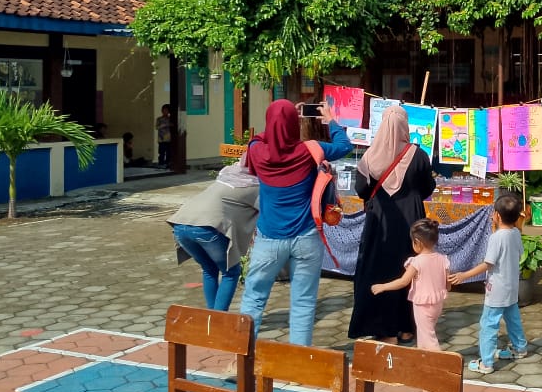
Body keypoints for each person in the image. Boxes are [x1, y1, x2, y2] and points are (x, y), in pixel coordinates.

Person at [240, 99, 351, 345]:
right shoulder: (310, 150)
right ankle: (299, 360)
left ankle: (243, 358)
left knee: (254, 299)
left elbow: (257, 138)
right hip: (306, 239)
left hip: (268, 240)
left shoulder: (257, 151)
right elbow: (344, 145)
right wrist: (330, 120)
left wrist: (279, 122)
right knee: (303, 302)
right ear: (294, 124)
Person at [349, 104, 435, 344]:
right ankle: (407, 328)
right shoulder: (418, 155)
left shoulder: (369, 156)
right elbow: (428, 187)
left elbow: (361, 189)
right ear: (404, 125)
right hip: (411, 221)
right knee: (410, 270)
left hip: (380, 223)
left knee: (379, 269)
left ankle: (383, 329)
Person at [449, 194, 528, 374]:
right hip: (511, 287)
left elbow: (488, 263)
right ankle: (520, 348)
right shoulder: (516, 233)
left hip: (497, 290)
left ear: (497, 215)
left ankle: (486, 363)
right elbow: (516, 253)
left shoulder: (496, 238)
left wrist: (464, 275)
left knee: (488, 325)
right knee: (513, 319)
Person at [167, 158, 259, 311]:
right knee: (231, 272)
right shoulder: (254, 185)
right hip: (207, 228)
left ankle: (211, 316)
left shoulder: (227, 177)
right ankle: (218, 318)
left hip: (180, 225)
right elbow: (270, 213)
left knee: (209, 269)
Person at [371, 218, 450, 351]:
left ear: (417, 242)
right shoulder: (443, 260)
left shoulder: (416, 262)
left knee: (429, 338)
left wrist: (383, 287)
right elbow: (448, 285)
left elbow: (403, 281)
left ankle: (439, 361)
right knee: (425, 333)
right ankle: (422, 356)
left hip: (422, 305)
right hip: (438, 304)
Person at [156, 104, 173, 168]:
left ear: (169, 111)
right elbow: (157, 127)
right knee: (161, 152)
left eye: (166, 110)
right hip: (161, 139)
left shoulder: (171, 119)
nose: (164, 111)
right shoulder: (159, 119)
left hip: (169, 139)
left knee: (169, 152)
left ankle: (168, 163)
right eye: (163, 110)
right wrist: (165, 125)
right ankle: (161, 163)